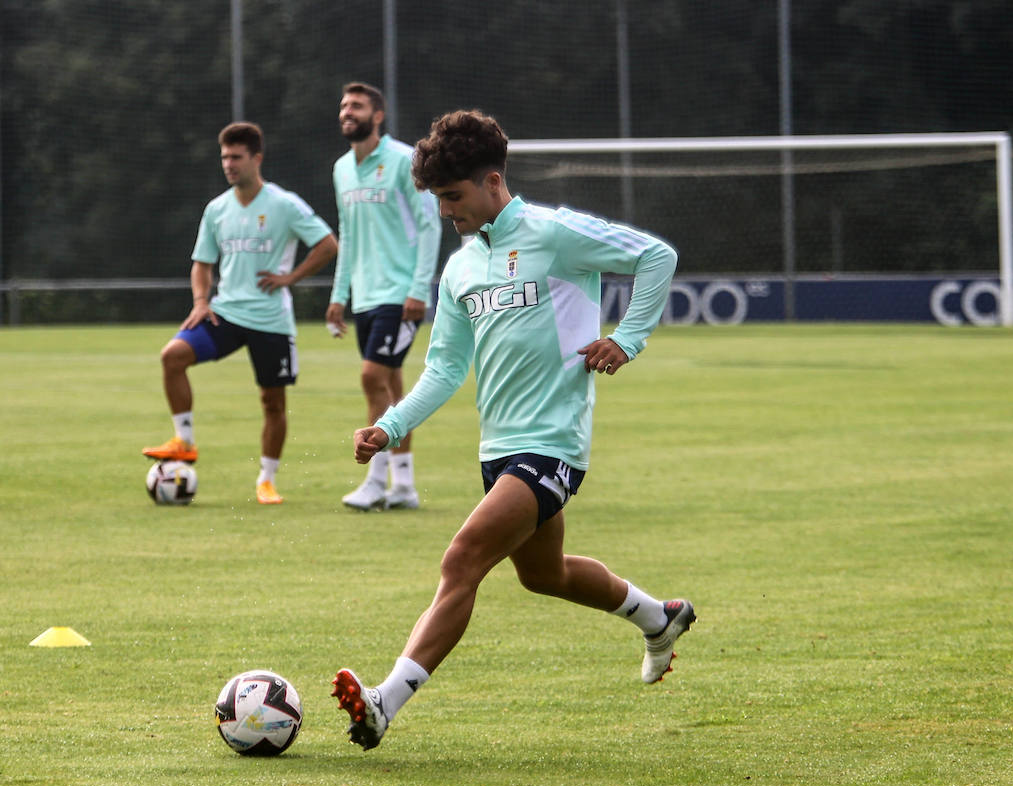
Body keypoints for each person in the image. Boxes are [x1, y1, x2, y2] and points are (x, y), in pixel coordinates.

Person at [331, 109, 694, 750]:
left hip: (553, 446)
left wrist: (628, 339)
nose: (447, 211)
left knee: (462, 560)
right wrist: (387, 427)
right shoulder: (461, 268)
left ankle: (385, 703)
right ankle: (657, 617)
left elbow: (656, 257)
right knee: (542, 575)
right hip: (498, 450)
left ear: (493, 181)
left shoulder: (554, 233)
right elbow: (444, 370)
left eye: (453, 196)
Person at [143, 122, 337, 505]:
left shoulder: (284, 204)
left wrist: (291, 277)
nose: (229, 164)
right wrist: (201, 301)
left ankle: (266, 481)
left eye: (236, 157)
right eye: (225, 157)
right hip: (225, 314)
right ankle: (184, 440)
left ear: (256, 159)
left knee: (272, 403)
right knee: (172, 357)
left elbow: (328, 244)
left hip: (271, 321)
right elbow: (202, 263)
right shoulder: (217, 209)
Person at [327, 82, 441, 511]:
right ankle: (405, 487)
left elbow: (429, 224)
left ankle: (375, 481)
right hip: (366, 296)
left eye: (356, 106)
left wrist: (418, 289)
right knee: (391, 385)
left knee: (371, 378)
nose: (347, 112)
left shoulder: (401, 160)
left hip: (400, 294)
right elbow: (349, 236)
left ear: (378, 116)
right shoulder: (341, 169)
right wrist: (340, 294)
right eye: (343, 106)